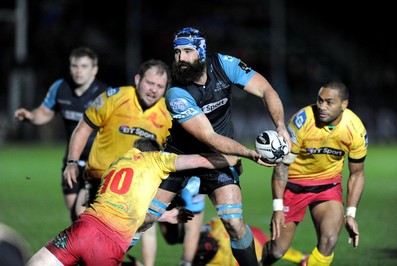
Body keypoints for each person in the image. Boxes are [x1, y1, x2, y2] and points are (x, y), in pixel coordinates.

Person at [136, 26, 292, 266]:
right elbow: (208, 136)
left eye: (187, 51)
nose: (181, 59)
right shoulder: (176, 92)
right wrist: (249, 153)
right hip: (181, 157)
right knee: (145, 219)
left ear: (201, 51)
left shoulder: (224, 64)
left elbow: (266, 89)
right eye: (177, 52)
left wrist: (281, 126)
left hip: (217, 159)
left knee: (234, 222)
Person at [26, 138, 241, 266]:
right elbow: (198, 160)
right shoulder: (156, 160)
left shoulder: (119, 161)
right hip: (108, 246)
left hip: (82, 231)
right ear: (153, 151)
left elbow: (128, 206)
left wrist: (165, 215)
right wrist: (236, 158)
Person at [62, 59, 172, 266]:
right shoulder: (115, 98)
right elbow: (84, 127)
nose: (153, 90)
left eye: (159, 86)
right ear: (138, 79)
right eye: (150, 83)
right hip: (98, 181)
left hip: (138, 189)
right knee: (82, 226)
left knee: (146, 228)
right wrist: (72, 161)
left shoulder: (168, 114)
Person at [260, 81, 368, 266]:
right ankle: (260, 261)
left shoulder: (355, 130)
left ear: (344, 104)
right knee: (277, 251)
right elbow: (282, 166)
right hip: (293, 186)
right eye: (319, 101)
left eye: (329, 102)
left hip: (327, 187)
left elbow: (357, 174)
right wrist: (277, 208)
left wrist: (350, 213)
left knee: (329, 240)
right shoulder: (302, 120)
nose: (322, 107)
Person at [14, 47, 110, 221]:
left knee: (82, 213)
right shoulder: (60, 88)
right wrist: (30, 116)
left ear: (94, 69)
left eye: (84, 66)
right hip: (71, 159)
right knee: (74, 213)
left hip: (97, 163)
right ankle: (80, 247)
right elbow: (44, 113)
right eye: (75, 66)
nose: (78, 70)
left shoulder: (106, 94)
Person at [157, 178, 308, 266]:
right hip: (251, 235)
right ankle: (301, 258)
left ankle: (301, 258)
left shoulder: (217, 258)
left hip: (251, 239)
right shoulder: (216, 232)